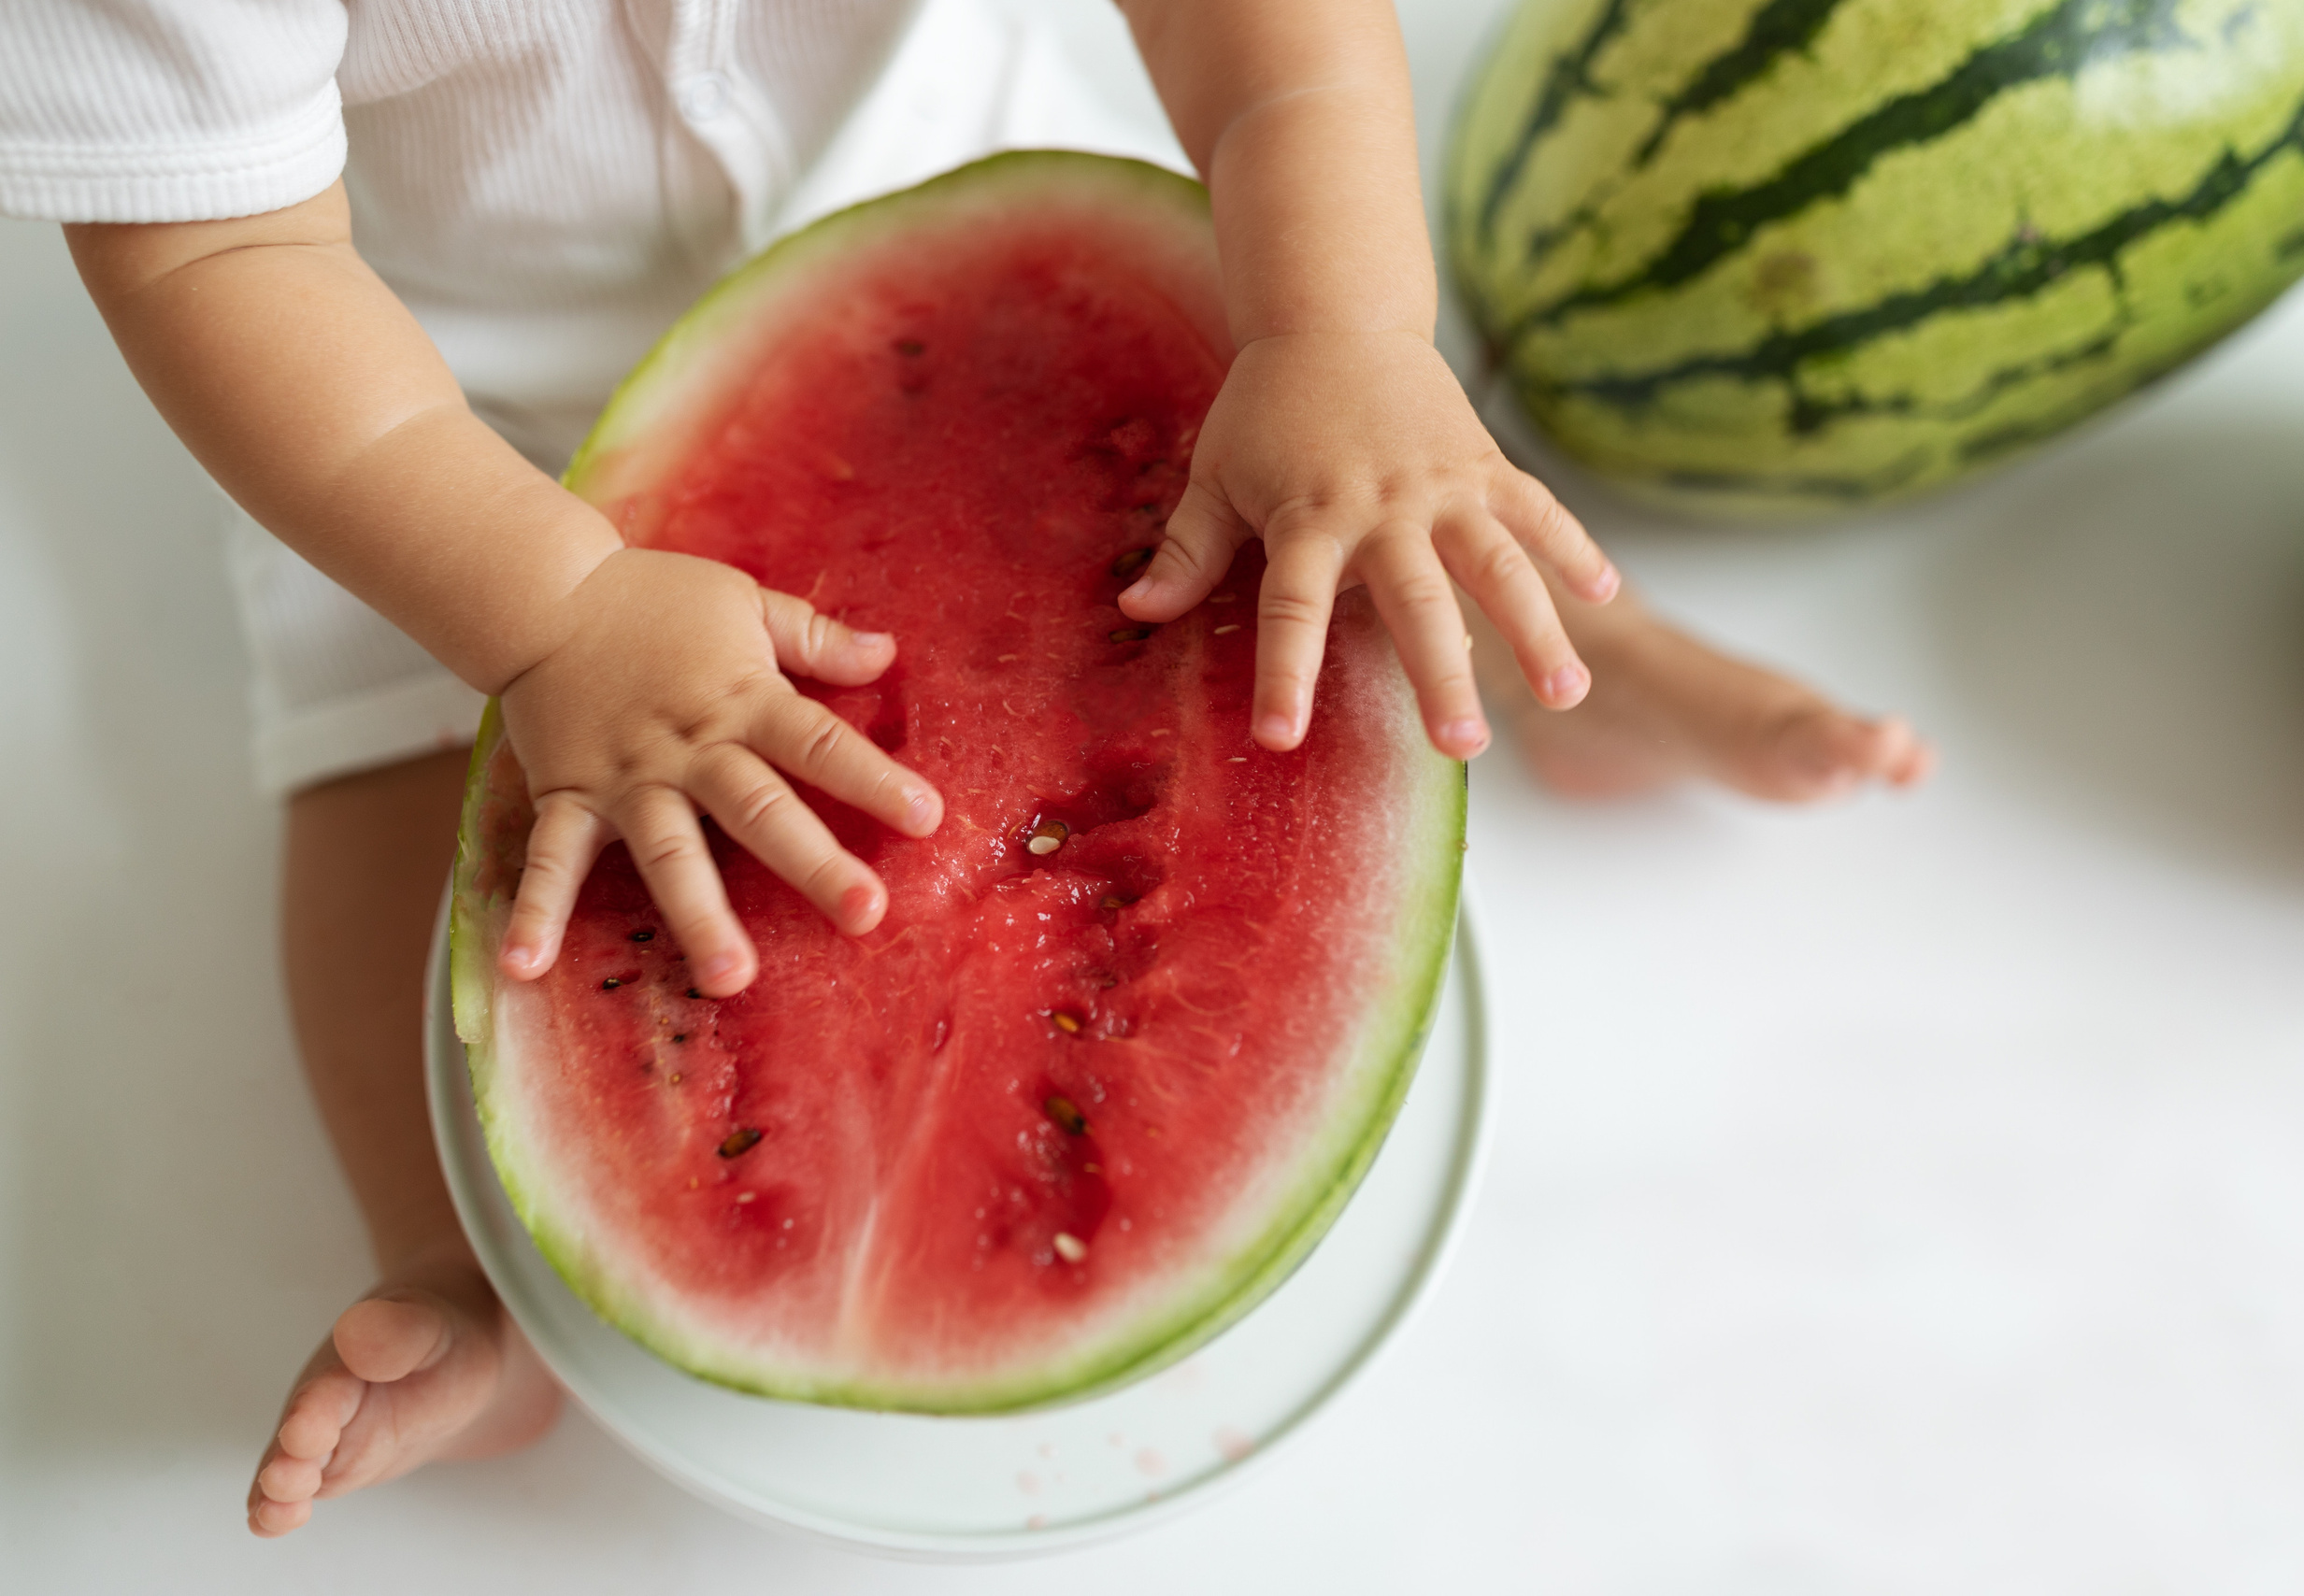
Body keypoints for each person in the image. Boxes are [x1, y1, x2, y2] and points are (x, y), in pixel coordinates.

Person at [0, 0, 1929, 1539]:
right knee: (363, 772)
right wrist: (544, 612)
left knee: (1357, 476)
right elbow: (219, 252)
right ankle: (462, 1268)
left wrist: (1338, 324)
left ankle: (1591, 667)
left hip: (942, 164)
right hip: (437, 404)